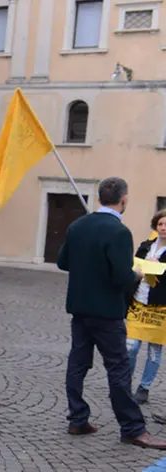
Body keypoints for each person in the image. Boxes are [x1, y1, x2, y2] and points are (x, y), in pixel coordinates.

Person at [57, 177, 166, 449]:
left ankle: (77, 418)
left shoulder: (77, 225)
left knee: (77, 364)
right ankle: (132, 427)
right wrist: (138, 274)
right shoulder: (118, 231)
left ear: (100, 197)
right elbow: (121, 278)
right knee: (118, 369)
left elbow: (62, 262)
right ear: (123, 199)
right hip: (107, 313)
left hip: (80, 310)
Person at [126, 209, 166, 404]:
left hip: (160, 307)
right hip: (139, 302)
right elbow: (132, 266)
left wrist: (159, 267)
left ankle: (145, 387)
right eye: (161, 224)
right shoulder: (145, 246)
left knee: (154, 351)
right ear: (155, 226)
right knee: (130, 347)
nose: (164, 228)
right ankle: (125, 383)